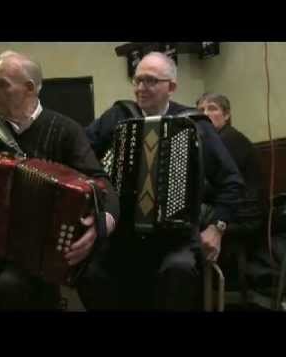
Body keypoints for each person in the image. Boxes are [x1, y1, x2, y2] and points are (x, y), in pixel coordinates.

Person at [0, 51, 119, 310]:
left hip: (39, 249)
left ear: (29, 88)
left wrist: (102, 223)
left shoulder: (65, 130)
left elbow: (100, 182)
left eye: (1, 84)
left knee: (10, 289)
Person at [82, 52, 244, 310]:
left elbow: (231, 181)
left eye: (150, 81)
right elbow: (80, 152)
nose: (140, 88)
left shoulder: (196, 124)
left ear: (172, 87)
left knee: (178, 272)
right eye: (137, 81)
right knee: (91, 275)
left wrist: (217, 227)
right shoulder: (117, 116)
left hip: (176, 238)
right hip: (124, 235)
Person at [196, 93, 264, 288]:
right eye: (201, 111)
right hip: (236, 209)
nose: (206, 114)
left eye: (212, 108)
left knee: (184, 218)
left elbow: (217, 188)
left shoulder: (230, 139)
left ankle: (199, 287)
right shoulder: (218, 140)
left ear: (226, 115)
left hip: (245, 213)